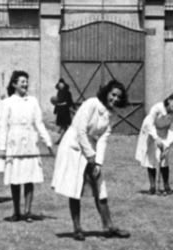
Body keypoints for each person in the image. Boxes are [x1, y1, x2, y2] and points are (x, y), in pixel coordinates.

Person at [53, 80, 131, 241]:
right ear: (107, 92)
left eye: (118, 97)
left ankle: (109, 226)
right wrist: (90, 156)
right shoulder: (91, 103)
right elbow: (81, 131)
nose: (115, 99)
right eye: (113, 94)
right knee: (74, 187)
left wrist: (98, 162)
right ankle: (77, 228)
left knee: (99, 184)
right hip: (73, 145)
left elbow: (103, 139)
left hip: (91, 147)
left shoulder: (112, 114)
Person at [0, 70, 53, 222]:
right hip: (14, 142)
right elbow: (3, 126)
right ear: (14, 84)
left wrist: (48, 142)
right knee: (15, 178)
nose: (25, 84)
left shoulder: (33, 101)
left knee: (29, 178)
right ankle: (16, 212)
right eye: (22, 81)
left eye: (27, 81)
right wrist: (2, 148)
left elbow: (39, 123)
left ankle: (28, 211)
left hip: (29, 142)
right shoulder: (7, 102)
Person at [135, 91, 173, 195]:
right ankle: (152, 187)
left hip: (163, 131)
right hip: (150, 129)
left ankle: (166, 186)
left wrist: (167, 145)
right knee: (151, 156)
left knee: (164, 158)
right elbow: (150, 124)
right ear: (169, 100)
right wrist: (156, 138)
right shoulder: (157, 108)